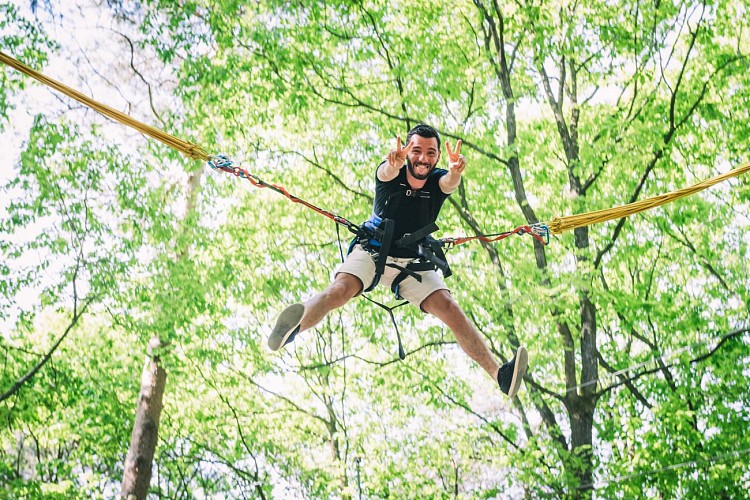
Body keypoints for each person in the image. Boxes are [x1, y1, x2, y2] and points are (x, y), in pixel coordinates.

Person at [268, 124, 528, 398]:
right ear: (407, 152)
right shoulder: (389, 172)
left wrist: (454, 173)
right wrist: (394, 164)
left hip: (412, 263)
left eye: (430, 153)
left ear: (437, 157)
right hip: (373, 252)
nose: (423, 158)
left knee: (450, 308)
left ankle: (500, 375)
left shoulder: (439, 180)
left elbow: (448, 184)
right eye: (416, 151)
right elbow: (386, 171)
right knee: (340, 290)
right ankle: (294, 328)